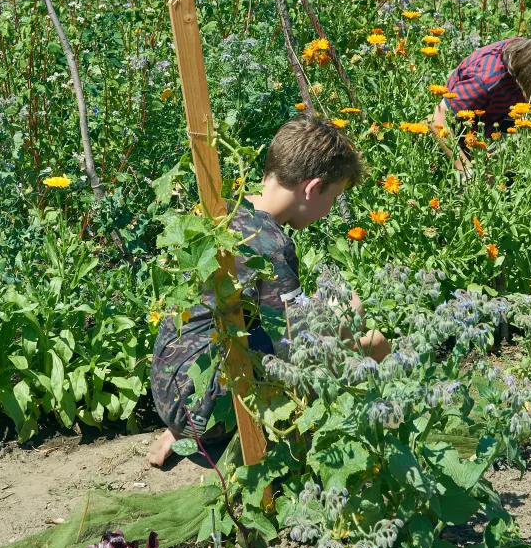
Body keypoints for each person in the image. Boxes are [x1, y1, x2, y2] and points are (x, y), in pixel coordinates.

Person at [147, 113, 386, 468]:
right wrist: (359, 339)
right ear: (312, 187)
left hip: (171, 385)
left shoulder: (225, 213)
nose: (329, 211)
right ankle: (267, 435)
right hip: (209, 402)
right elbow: (293, 342)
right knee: (354, 329)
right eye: (332, 198)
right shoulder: (272, 243)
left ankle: (184, 428)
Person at [429, 31, 531, 146]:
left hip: (498, 117)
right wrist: (465, 171)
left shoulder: (528, 53)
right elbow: (437, 120)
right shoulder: (486, 80)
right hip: (465, 133)